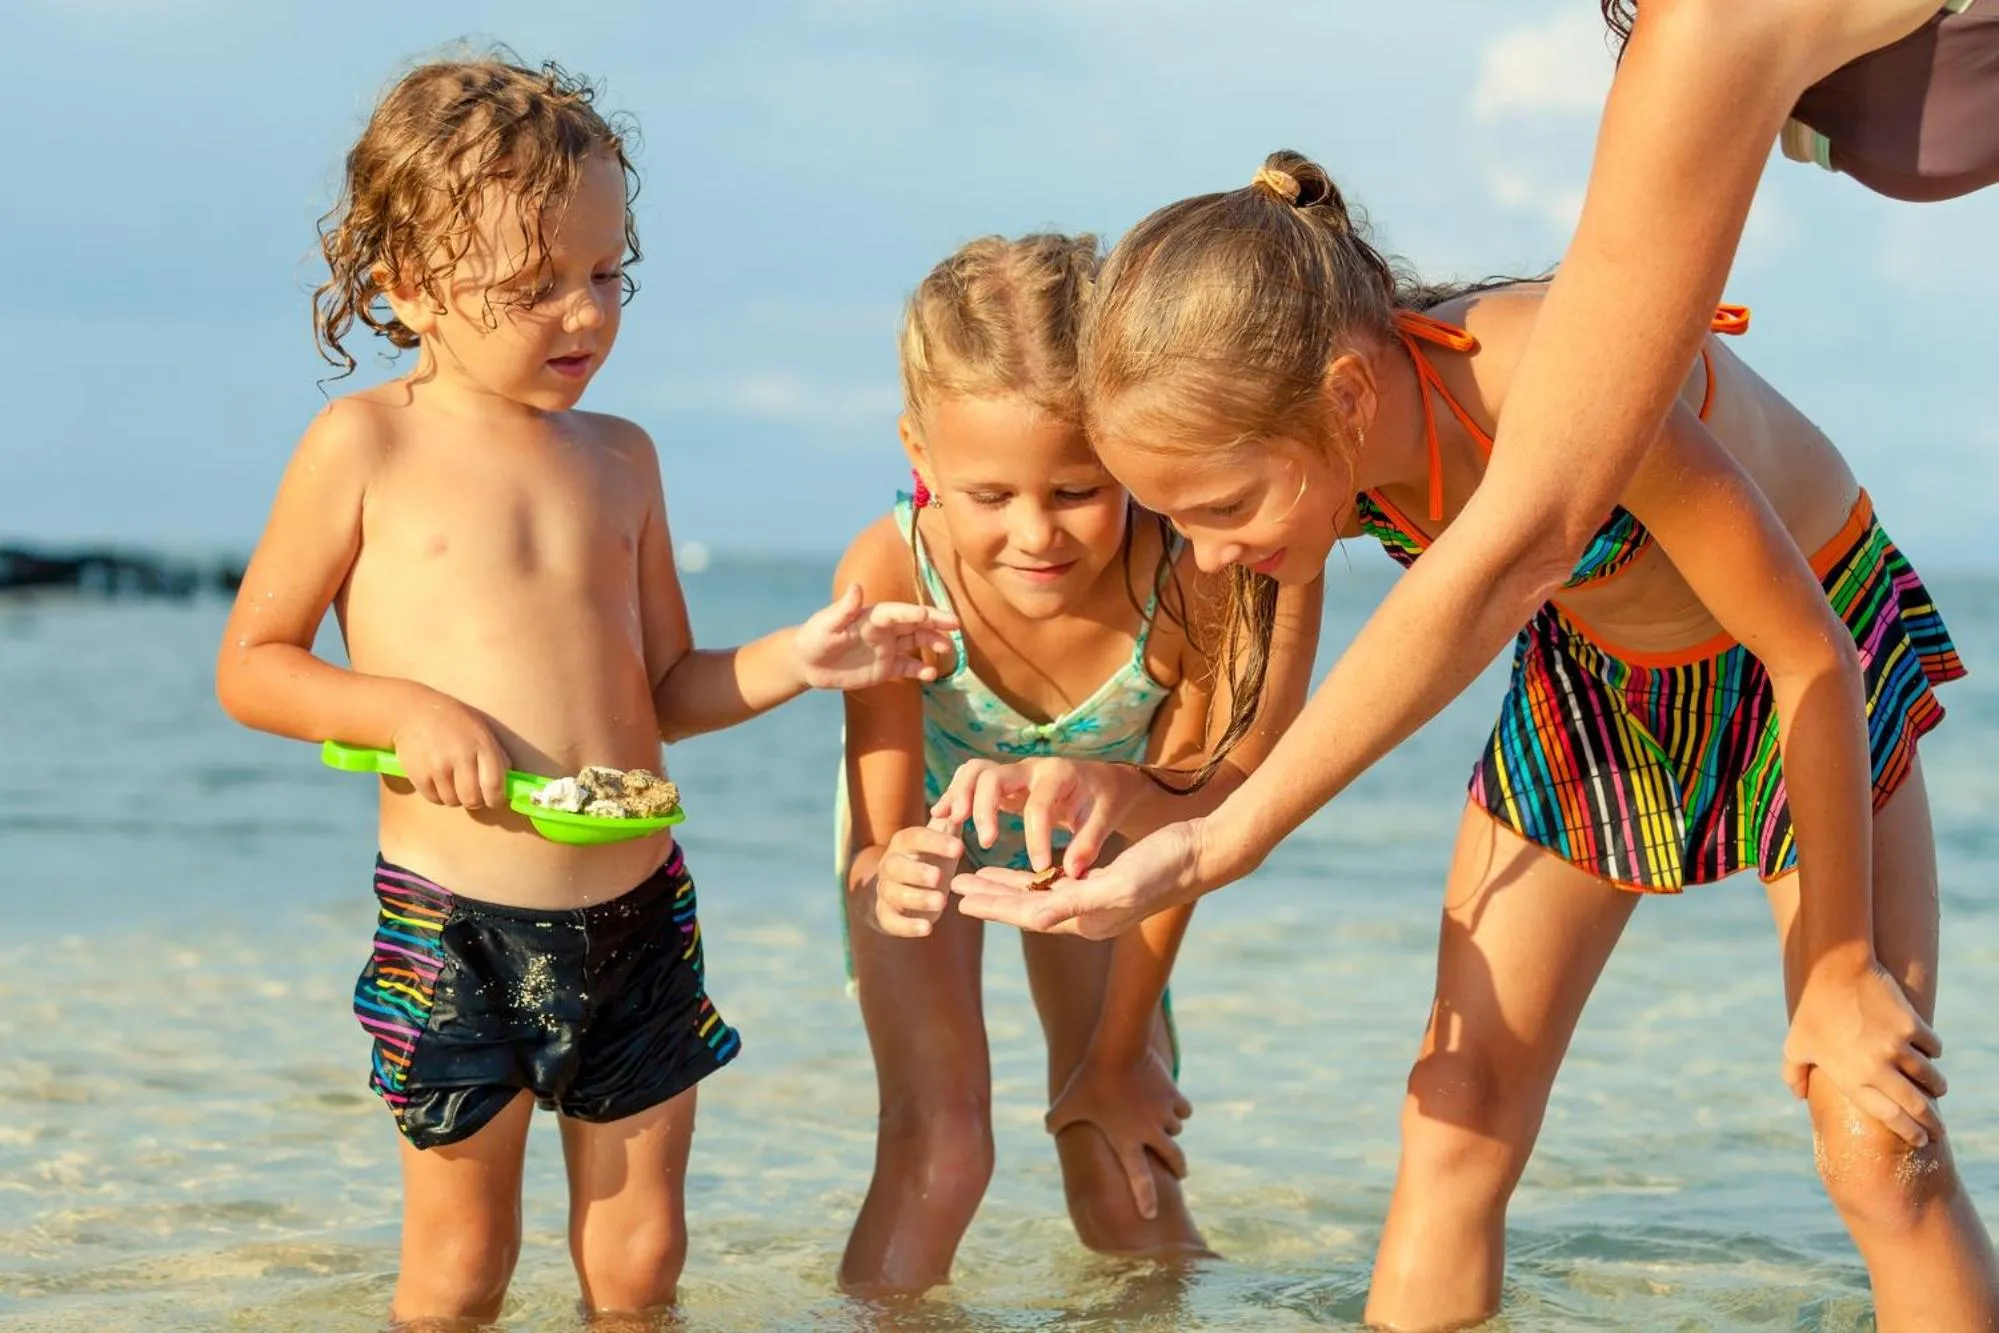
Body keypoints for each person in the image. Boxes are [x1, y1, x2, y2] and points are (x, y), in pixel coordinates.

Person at [944, 153, 1999, 1330]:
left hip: (1804, 680)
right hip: (1597, 684)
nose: (1201, 553)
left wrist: (1843, 967)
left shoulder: (1559, 369)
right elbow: (1254, 766)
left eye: (1225, 509)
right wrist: (1131, 789)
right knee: (1454, 1104)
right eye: (1178, 519)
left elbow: (1811, 654)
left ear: (1345, 397)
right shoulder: (1314, 459)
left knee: (1871, 1141)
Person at [214, 54, 954, 1326]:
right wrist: (403, 711)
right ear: (405, 290)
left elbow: (666, 687)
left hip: (638, 907)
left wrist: (801, 658)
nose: (585, 316)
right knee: (459, 1270)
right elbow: (253, 667)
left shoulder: (622, 459)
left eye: (606, 275)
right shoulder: (366, 446)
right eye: (533, 285)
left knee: (639, 1262)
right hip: (457, 921)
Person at [833, 233, 1321, 1294]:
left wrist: (1113, 1058)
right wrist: (894, 875)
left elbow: (1193, 823)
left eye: (1077, 489)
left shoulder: (1187, 576)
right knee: (943, 1154)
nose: (1035, 534)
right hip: (931, 838)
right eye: (990, 495)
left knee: (1116, 1159)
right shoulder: (892, 570)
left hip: (1115, 843)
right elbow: (877, 852)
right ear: (920, 455)